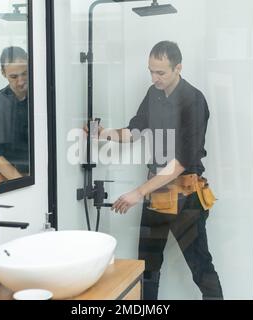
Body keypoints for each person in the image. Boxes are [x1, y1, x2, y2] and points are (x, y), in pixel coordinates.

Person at [89, 41, 223, 300]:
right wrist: (102, 133)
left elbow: (180, 163)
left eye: (160, 72)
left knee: (201, 268)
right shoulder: (153, 94)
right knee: (147, 268)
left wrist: (137, 193)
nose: (154, 78)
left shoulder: (194, 100)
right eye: (151, 71)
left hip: (186, 195)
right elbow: (134, 131)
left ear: (178, 68)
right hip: (156, 193)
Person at [0, 46, 30, 184]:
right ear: (3, 73)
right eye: (14, 77)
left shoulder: (44, 99)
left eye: (25, 73)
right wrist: (22, 184)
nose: (21, 81)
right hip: (11, 179)